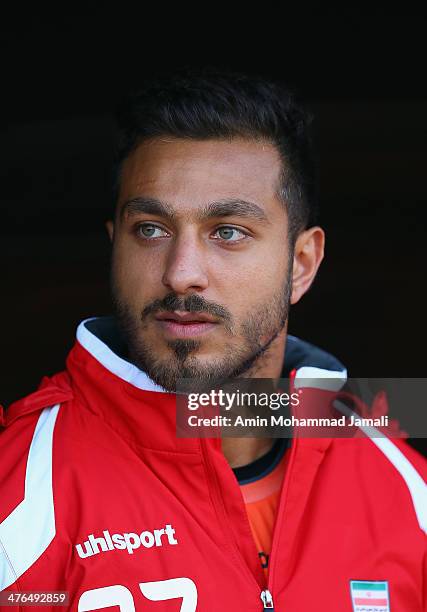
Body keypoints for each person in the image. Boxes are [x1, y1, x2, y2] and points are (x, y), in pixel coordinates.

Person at [0, 69, 425, 612]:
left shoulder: (402, 486)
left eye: (228, 231)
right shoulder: (22, 487)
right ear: (115, 247)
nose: (181, 274)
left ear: (301, 264)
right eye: (151, 228)